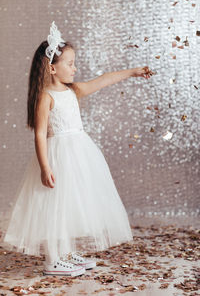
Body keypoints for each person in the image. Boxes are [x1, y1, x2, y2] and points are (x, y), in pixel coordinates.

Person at [2, 21, 154, 277]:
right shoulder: (46, 96)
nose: (75, 68)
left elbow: (103, 80)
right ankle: (53, 259)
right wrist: (45, 166)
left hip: (79, 153)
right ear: (52, 68)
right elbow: (39, 133)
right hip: (58, 155)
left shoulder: (73, 90)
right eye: (70, 64)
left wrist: (133, 71)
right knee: (55, 206)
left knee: (71, 204)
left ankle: (65, 250)